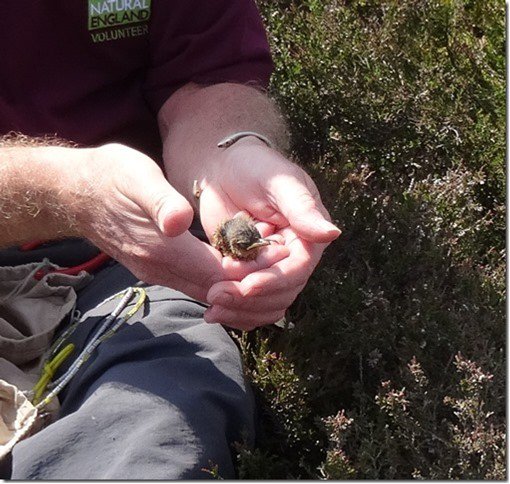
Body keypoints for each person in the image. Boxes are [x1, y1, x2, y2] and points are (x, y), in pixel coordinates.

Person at [0, 0, 340, 479]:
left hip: (126, 259)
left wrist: (230, 150)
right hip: (81, 218)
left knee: (171, 412)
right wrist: (61, 191)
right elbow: (72, 192)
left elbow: (204, 81)